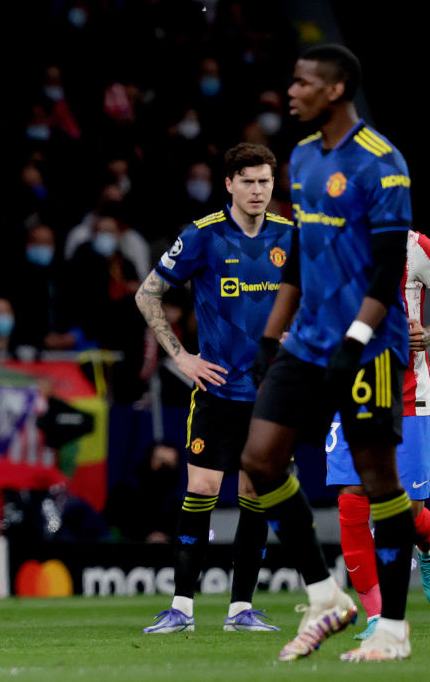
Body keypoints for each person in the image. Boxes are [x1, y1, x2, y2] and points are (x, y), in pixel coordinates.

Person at [243, 43, 413, 662]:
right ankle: (326, 595)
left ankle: (392, 628)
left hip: (367, 348)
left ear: (336, 89)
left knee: (376, 480)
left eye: (303, 83)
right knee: (260, 462)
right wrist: (269, 337)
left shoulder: (381, 163)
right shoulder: (302, 157)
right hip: (307, 341)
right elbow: (300, 257)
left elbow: (387, 269)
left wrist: (357, 342)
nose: (291, 92)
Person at [135, 142, 293, 634]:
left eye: (264, 181)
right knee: (201, 488)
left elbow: (320, 301)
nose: (257, 190)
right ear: (228, 184)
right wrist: (181, 356)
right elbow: (148, 294)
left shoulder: (292, 237)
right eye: (247, 180)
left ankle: (239, 610)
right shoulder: (202, 235)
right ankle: (181, 608)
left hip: (271, 395)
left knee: (256, 495)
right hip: (218, 391)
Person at [324, 229, 430, 640]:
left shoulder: (414, 246)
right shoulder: (329, 243)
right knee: (351, 500)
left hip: (407, 396)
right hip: (351, 391)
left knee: (404, 510)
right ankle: (376, 616)